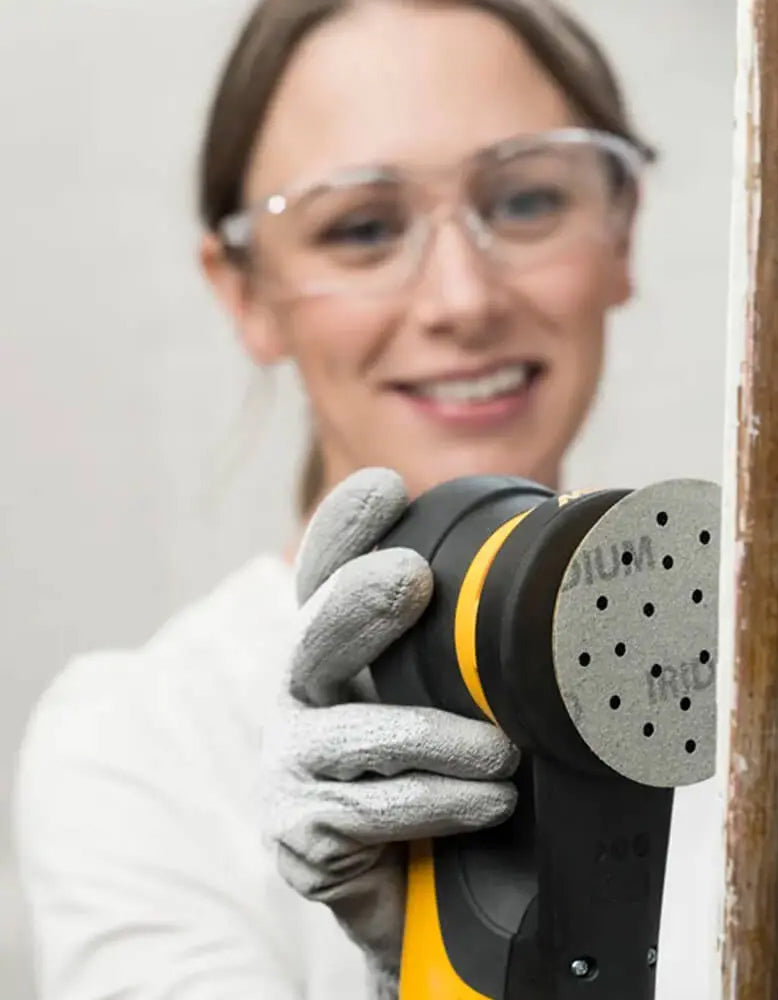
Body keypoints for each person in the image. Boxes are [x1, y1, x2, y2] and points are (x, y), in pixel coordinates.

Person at [13, 0, 658, 997]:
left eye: (527, 201)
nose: (463, 299)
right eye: (361, 227)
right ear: (245, 295)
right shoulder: (139, 740)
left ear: (622, 230)